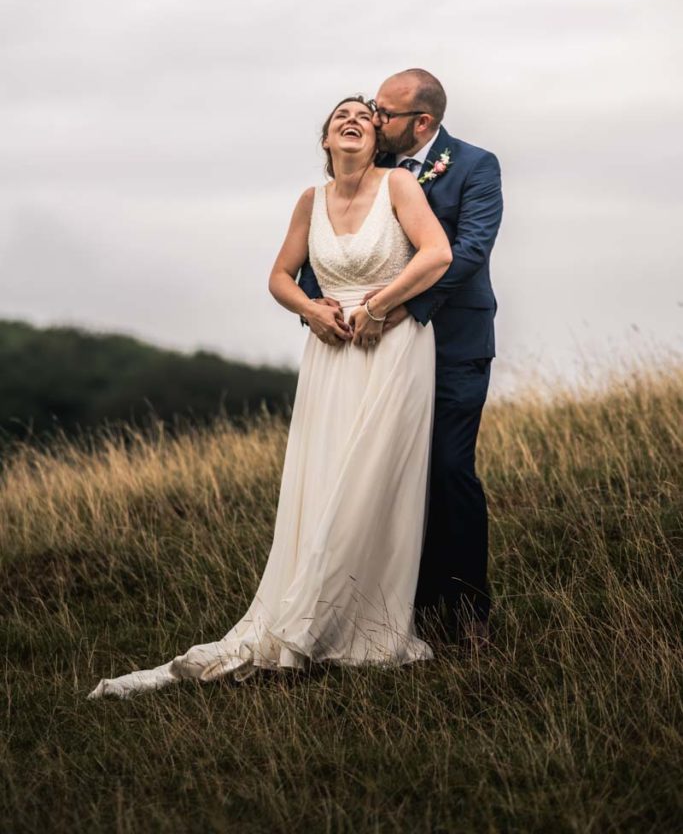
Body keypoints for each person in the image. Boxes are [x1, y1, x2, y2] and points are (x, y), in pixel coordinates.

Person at [87, 95, 451, 699]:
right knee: (324, 476)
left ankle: (362, 626)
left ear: (378, 135)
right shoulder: (310, 201)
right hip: (330, 355)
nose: (353, 120)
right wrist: (312, 310)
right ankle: (307, 606)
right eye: (341, 117)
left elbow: (437, 254)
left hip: (394, 347)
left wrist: (378, 306)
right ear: (327, 140)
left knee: (372, 476)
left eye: (364, 114)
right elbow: (280, 276)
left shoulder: (400, 186)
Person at [299, 69, 503, 645]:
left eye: (381, 112)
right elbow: (330, 242)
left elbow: (467, 251)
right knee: (381, 473)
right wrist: (317, 305)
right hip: (371, 349)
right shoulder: (370, 174)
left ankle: (466, 615)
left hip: (452, 343)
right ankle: (391, 610)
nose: (370, 116)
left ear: (423, 123)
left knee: (446, 468)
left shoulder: (475, 166)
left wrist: (394, 307)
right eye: (369, 106)